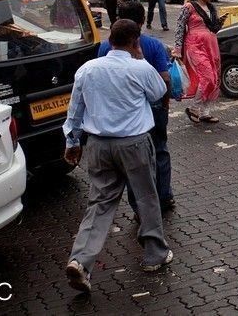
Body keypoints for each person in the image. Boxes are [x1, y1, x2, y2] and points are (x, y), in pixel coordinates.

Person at [62, 18, 172, 294]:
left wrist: (72, 141)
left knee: (99, 204)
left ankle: (80, 260)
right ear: (136, 42)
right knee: (146, 196)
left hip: (98, 145)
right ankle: (154, 255)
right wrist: (141, 61)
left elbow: (75, 111)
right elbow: (159, 94)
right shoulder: (141, 67)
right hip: (134, 143)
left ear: (110, 40)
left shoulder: (88, 69)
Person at [97, 2, 174, 214]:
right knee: (160, 152)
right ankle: (164, 197)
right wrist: (165, 106)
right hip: (153, 108)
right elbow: (165, 78)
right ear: (141, 23)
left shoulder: (104, 48)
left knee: (135, 165)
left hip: (124, 111)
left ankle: (139, 207)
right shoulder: (154, 45)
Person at [174, 0, 223, 125]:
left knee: (214, 78)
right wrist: (177, 49)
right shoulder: (189, 7)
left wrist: (220, 23)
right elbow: (179, 27)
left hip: (211, 45)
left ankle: (205, 112)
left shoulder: (212, 8)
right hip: (195, 45)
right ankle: (194, 108)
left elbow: (214, 28)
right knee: (207, 76)